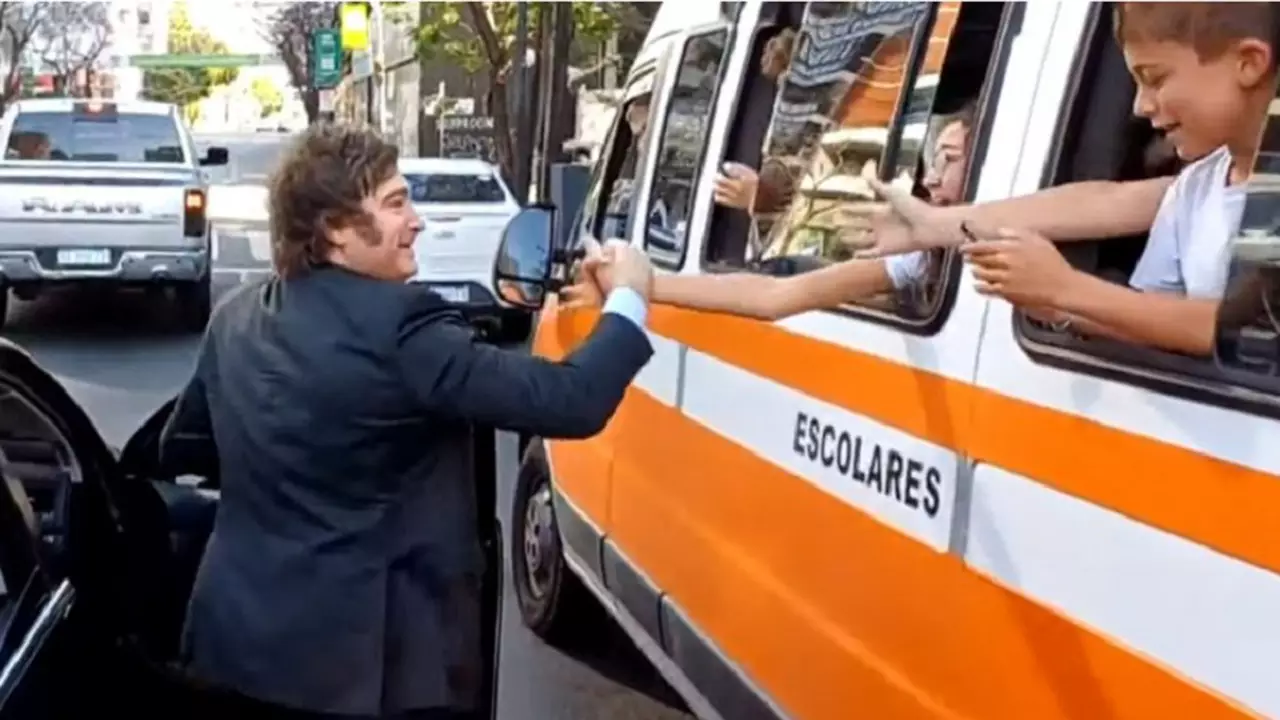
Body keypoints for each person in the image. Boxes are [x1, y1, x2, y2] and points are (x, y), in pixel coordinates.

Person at [158, 124, 655, 720]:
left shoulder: (235, 318)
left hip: (235, 647)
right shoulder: (404, 328)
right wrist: (630, 298)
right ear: (334, 230)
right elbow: (571, 399)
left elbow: (183, 448)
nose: (416, 220)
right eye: (395, 203)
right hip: (368, 673)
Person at [870, 1, 1276, 357]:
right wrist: (1055, 306)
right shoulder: (1195, 188)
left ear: (1249, 62)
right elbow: (1152, 314)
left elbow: (1247, 333)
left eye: (1155, 78)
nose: (1139, 105)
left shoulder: (1268, 181)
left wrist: (1069, 288)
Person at [567, 104, 977, 319]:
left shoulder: (1011, 232)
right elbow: (777, 295)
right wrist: (637, 285)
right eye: (933, 161)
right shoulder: (919, 255)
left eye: (950, 160)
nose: (933, 179)